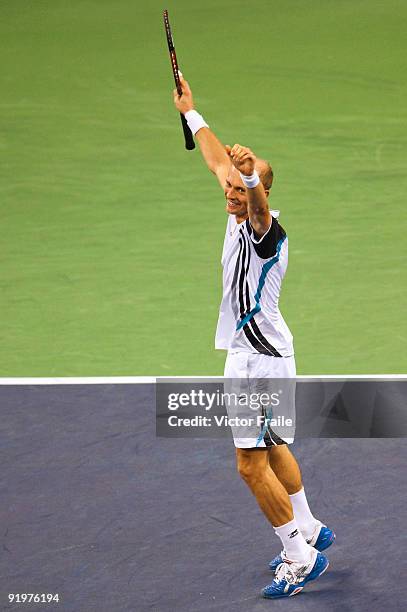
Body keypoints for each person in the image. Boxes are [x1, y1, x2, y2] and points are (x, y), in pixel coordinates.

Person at [173, 74, 335, 600]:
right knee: (272, 444)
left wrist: (250, 182)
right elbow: (217, 159)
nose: (231, 193)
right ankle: (309, 527)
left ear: (260, 191)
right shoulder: (233, 199)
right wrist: (192, 113)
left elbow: (256, 204)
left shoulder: (267, 235)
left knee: (249, 464)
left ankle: (298, 555)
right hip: (261, 354)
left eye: (242, 189)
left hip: (258, 361)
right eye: (231, 188)